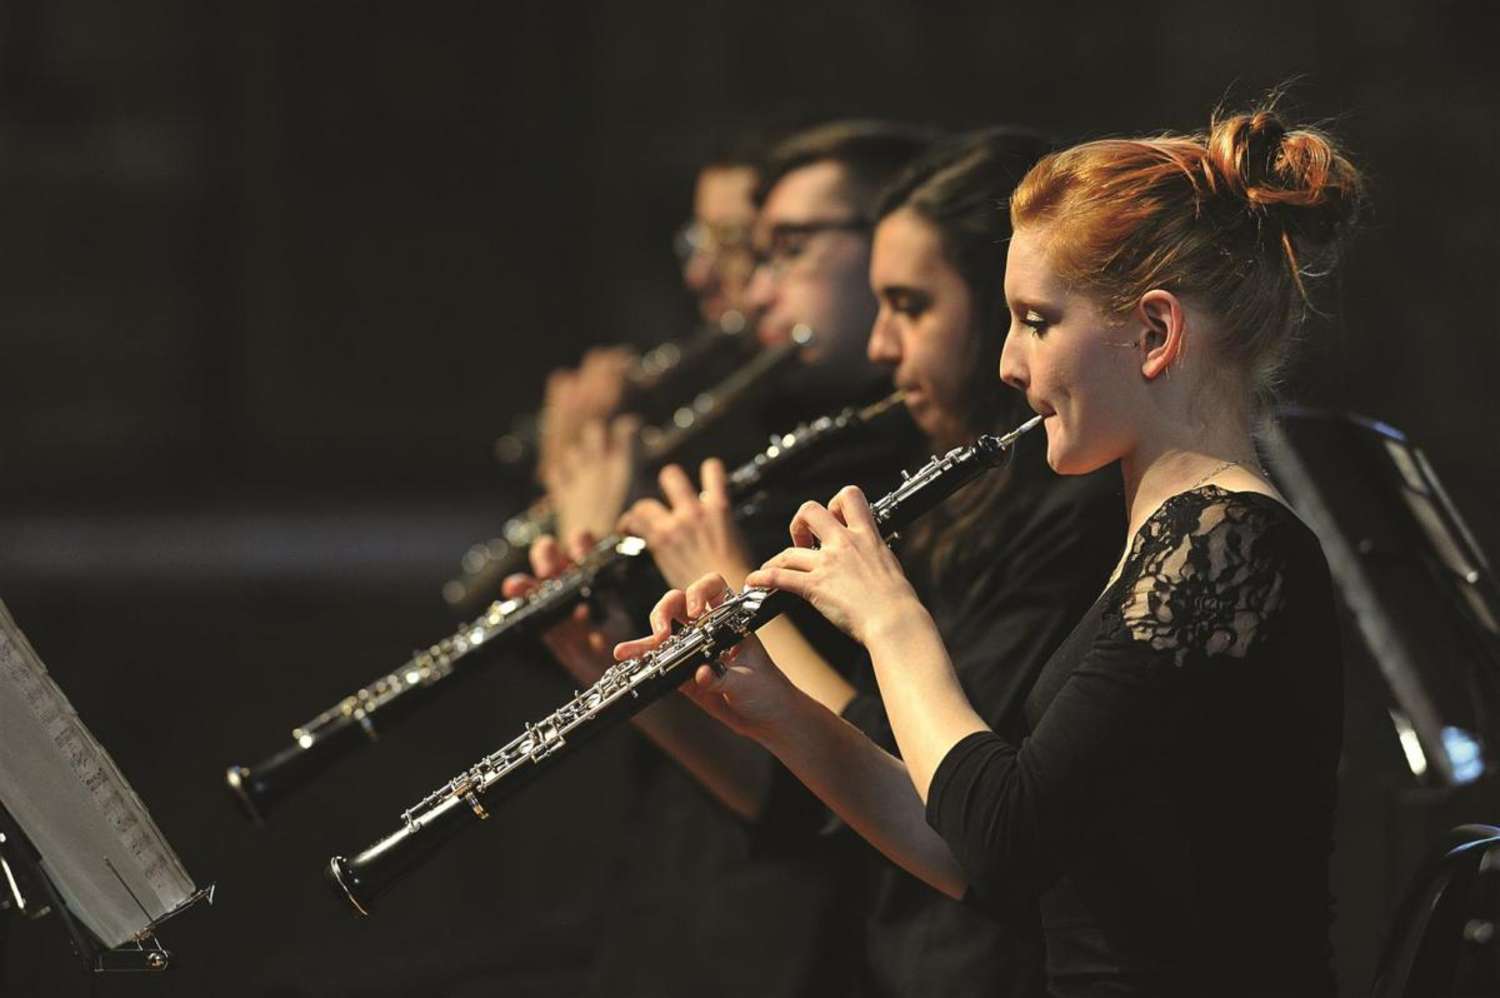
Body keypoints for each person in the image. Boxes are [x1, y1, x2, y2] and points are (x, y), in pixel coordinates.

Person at [626, 101, 1364, 996]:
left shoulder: (1224, 543)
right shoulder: (1170, 538)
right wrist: (778, 712)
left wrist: (888, 617)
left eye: (1038, 321)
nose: (1009, 365)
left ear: (1156, 333)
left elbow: (1002, 840)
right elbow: (971, 852)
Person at [508, 120, 938, 997]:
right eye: (719, 246)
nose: (729, 278)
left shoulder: (892, 457)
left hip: (810, 936)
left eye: (767, 247)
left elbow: (839, 787)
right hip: (687, 899)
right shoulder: (769, 424)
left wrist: (682, 579)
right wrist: (597, 612)